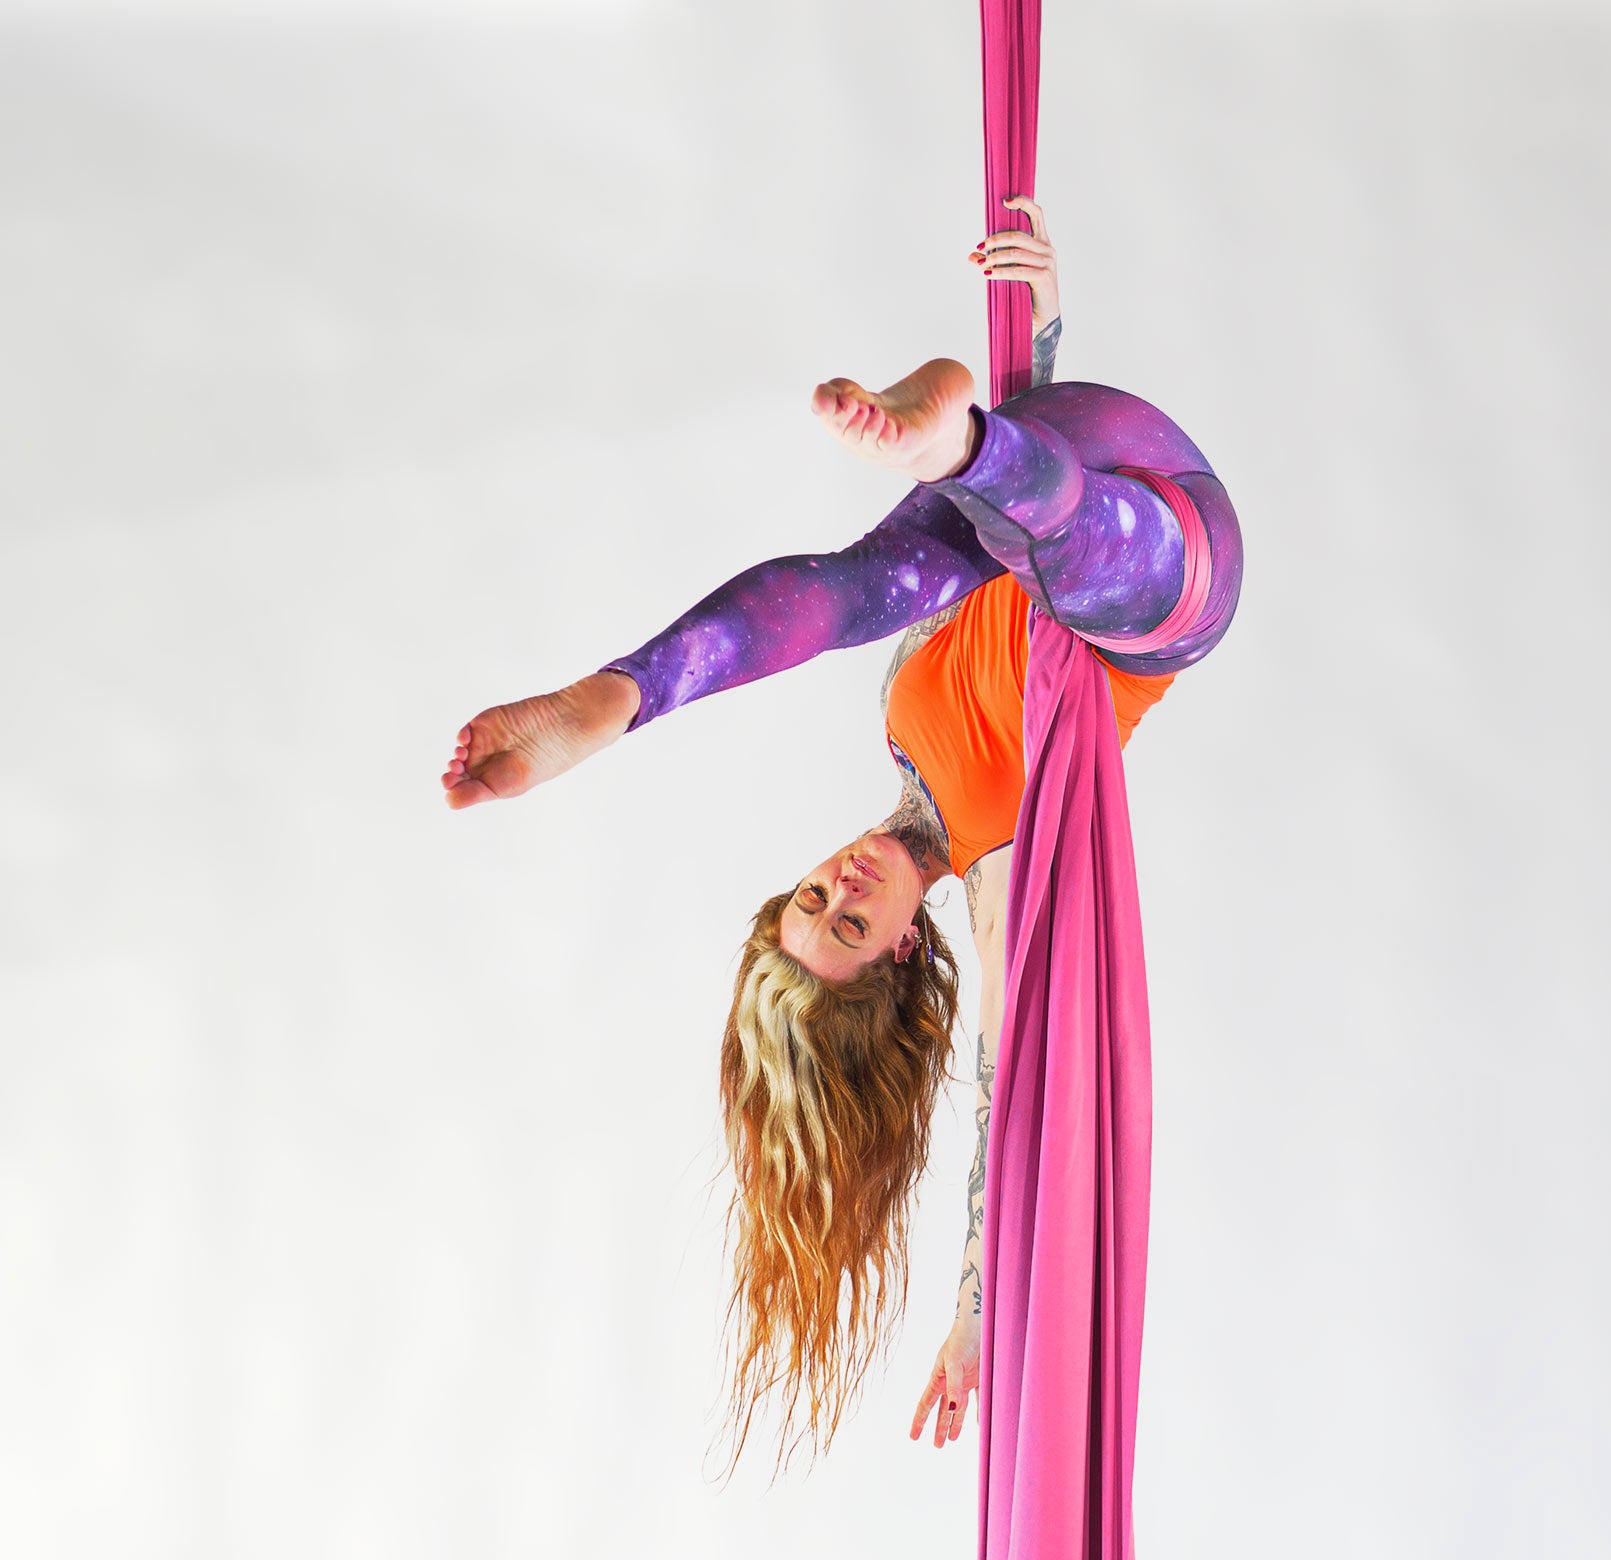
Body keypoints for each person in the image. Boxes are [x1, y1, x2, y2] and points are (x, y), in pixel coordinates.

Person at [440, 201, 1242, 1474]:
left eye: (809, 898)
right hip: (1164, 571)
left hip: (1061, 450)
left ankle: (617, 698)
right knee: (1046, 558)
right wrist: (972, 1316)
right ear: (903, 951)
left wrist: (1035, 323)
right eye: (854, 920)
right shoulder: (998, 874)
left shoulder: (903, 728)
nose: (841, 883)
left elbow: (960, 567)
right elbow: (1001, 1098)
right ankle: (957, 443)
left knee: (874, 586)